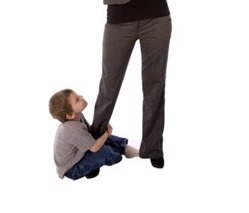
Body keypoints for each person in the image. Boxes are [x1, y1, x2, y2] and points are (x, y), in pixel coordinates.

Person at [90, 0, 172, 168]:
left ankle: (153, 149)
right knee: (109, 86)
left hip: (156, 18)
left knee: (154, 86)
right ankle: (91, 149)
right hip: (118, 20)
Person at [49, 89, 139, 180]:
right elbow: (94, 147)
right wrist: (106, 133)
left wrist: (102, 128)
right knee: (102, 150)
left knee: (100, 135)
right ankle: (116, 155)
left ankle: (124, 148)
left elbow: (90, 132)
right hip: (72, 169)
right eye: (77, 100)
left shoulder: (79, 116)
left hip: (81, 153)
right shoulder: (72, 130)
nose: (81, 97)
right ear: (70, 115)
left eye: (78, 95)